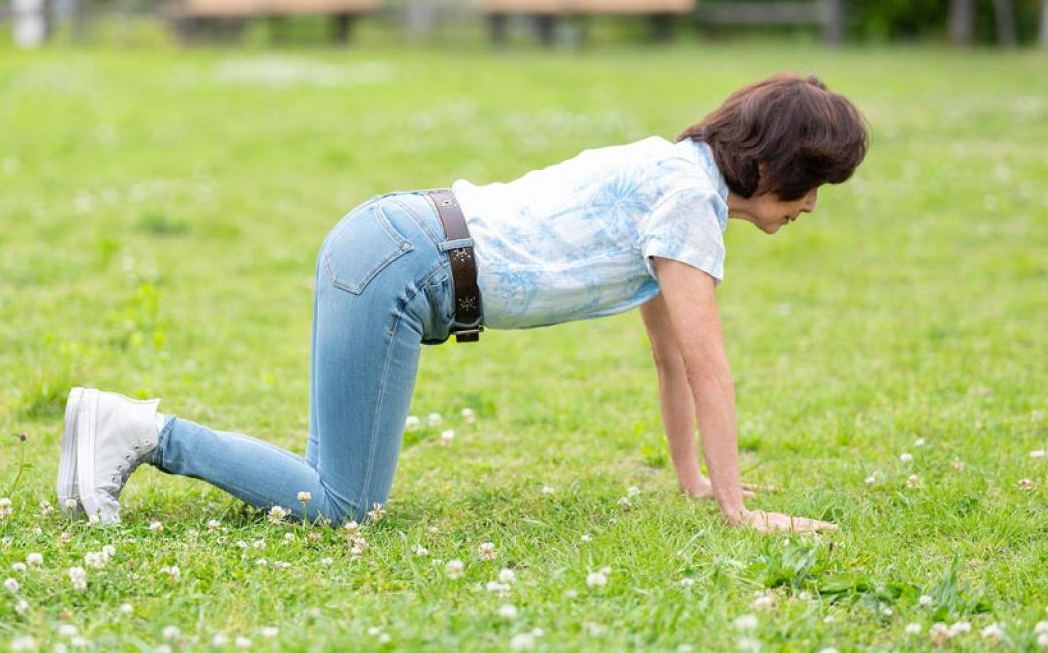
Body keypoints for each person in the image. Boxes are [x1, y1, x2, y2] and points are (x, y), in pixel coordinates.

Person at [56, 72, 869, 533]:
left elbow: (671, 356)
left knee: (327, 479)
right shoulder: (686, 198)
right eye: (814, 186)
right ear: (770, 166)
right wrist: (737, 513)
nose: (810, 207)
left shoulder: (675, 178)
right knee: (343, 505)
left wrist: (694, 479)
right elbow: (710, 367)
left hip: (387, 239)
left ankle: (110, 429)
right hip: (404, 263)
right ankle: (141, 432)